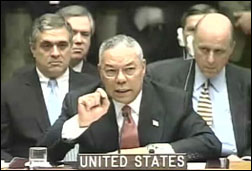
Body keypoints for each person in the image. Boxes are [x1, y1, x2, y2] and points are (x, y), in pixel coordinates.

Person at [39, 34, 221, 163]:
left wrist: (150, 153)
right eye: (111, 71)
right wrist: (79, 123)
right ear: (100, 71)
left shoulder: (172, 100)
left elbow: (210, 143)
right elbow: (44, 154)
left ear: (143, 68)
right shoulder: (81, 101)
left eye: (129, 70)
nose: (120, 79)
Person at [147, 13, 251, 159]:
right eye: (204, 50)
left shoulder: (247, 82)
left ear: (232, 48)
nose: (210, 59)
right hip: (182, 162)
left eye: (219, 51)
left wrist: (246, 162)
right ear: (192, 44)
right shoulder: (161, 77)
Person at [1, 13, 99, 161]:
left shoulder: (93, 87)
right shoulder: (9, 92)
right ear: (33, 49)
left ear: (71, 47)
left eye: (62, 45)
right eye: (46, 46)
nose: (55, 53)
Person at [56, 5, 98, 76]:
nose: (79, 40)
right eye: (72, 33)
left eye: (85, 34)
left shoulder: (99, 79)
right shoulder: (37, 75)